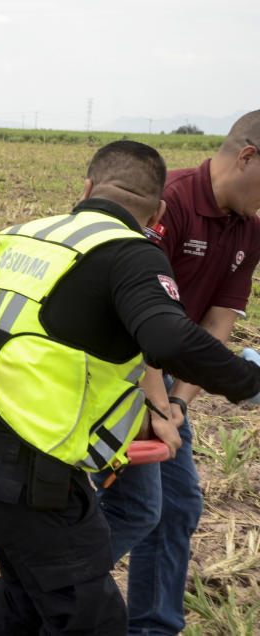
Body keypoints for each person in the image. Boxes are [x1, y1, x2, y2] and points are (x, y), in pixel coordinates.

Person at [0, 140, 260, 636]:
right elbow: (169, 337)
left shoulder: (31, 236)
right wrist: (249, 383)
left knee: (31, 600)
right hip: (28, 470)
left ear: (86, 189)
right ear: (159, 212)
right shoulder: (131, 254)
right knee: (94, 618)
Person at [91, 112, 260, 635]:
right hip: (121, 372)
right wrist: (157, 404)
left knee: (176, 505)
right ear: (247, 157)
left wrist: (178, 403)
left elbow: (215, 326)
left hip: (165, 382)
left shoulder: (250, 228)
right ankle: (41, 589)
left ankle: (152, 627)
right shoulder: (173, 203)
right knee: (138, 508)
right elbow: (138, 323)